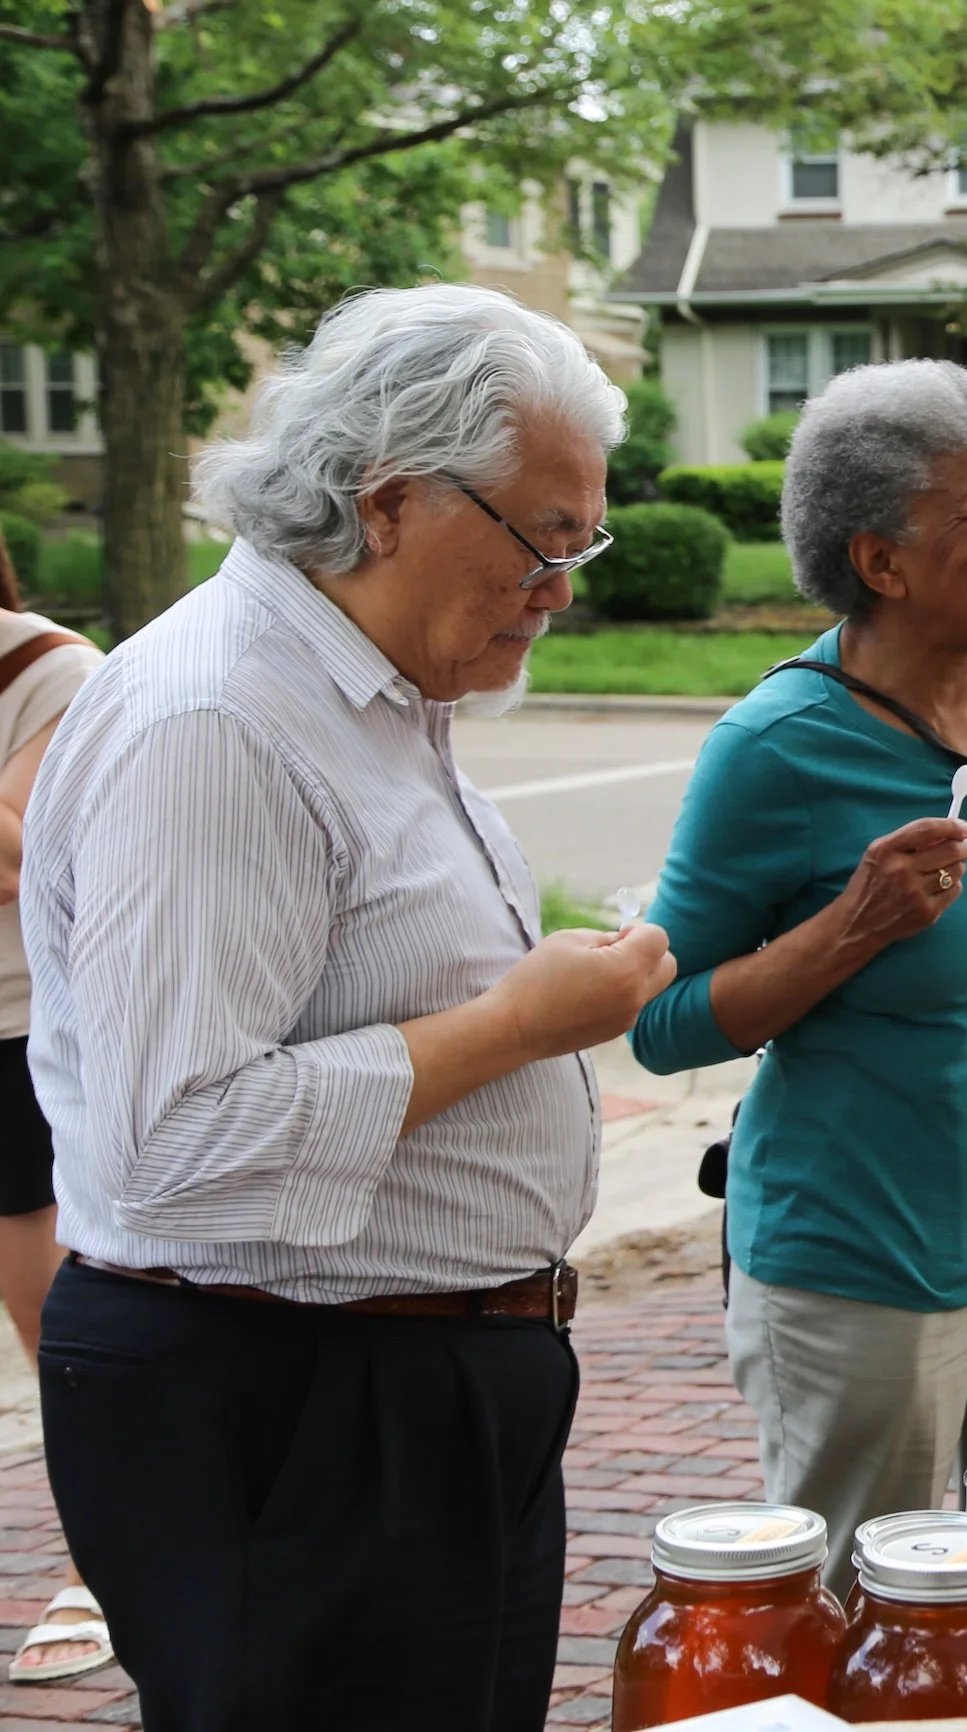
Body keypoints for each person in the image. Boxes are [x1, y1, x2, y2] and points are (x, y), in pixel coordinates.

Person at [19, 284, 678, 1731]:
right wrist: (515, 1024)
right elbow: (170, 1146)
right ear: (387, 504)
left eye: (585, 541)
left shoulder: (368, 688)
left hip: (391, 1379)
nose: (563, 590)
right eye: (543, 540)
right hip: (294, 1397)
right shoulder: (219, 726)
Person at [630, 360, 967, 1593]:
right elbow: (661, 1025)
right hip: (862, 1263)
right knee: (852, 1609)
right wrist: (851, 927)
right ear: (879, 561)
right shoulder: (775, 748)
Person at [0, 544, 109, 1685]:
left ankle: (102, 1564)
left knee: (58, 1334)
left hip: (12, 1038)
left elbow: (20, 859)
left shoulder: (48, 669)